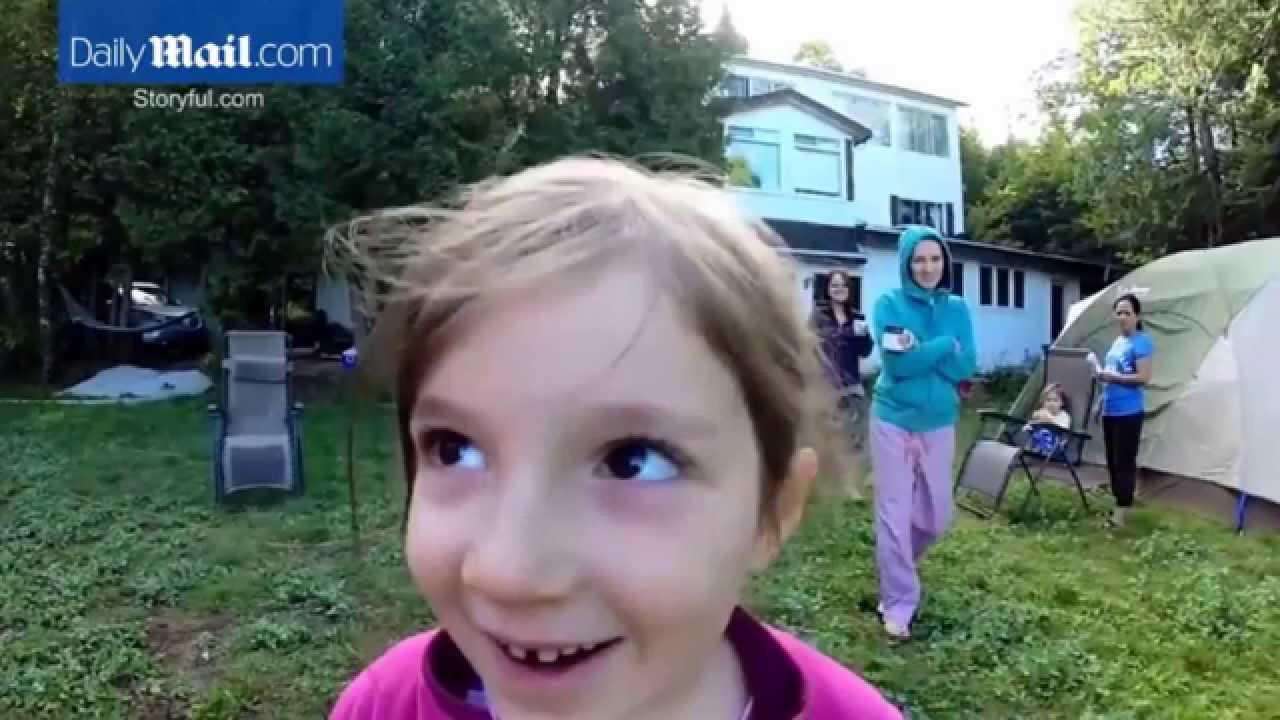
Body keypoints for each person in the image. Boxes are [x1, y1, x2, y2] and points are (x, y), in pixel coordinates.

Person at [328, 157, 905, 720]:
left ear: (773, 511)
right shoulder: (382, 705)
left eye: (633, 461)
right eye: (454, 448)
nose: (509, 571)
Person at [868, 226, 977, 642]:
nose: (928, 267)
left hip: (938, 421)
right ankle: (899, 602)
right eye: (919, 259)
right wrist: (944, 346)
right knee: (894, 513)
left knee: (935, 517)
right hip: (893, 418)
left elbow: (966, 367)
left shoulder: (958, 309)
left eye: (934, 259)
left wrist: (926, 350)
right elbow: (898, 367)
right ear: (906, 263)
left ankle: (895, 566)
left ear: (943, 262)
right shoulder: (888, 304)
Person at [1096, 293, 1154, 528]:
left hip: (1129, 412)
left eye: (1127, 313)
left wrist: (1114, 377)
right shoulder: (1117, 342)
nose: (1122, 317)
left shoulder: (1142, 342)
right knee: (1111, 460)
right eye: (1118, 312)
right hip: (1111, 409)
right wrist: (1101, 398)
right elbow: (1111, 374)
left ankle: (1119, 516)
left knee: (1124, 461)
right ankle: (1119, 505)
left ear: (1137, 316)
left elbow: (1144, 377)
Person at [811, 270, 874, 453]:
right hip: (827, 384)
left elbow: (865, 352)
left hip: (852, 383)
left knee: (855, 437)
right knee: (827, 436)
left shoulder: (857, 318)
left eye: (843, 285)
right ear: (828, 289)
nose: (839, 289)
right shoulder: (819, 317)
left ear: (849, 289)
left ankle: (852, 472)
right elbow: (810, 345)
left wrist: (863, 336)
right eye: (835, 285)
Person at [1023, 383, 1072, 457]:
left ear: (1062, 403)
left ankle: (1035, 448)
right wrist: (1030, 425)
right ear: (1043, 402)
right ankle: (1028, 450)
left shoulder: (1064, 416)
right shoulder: (1041, 412)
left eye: (1055, 400)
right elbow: (1028, 427)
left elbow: (1063, 430)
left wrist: (1050, 421)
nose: (1051, 403)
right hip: (1038, 442)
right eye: (1048, 400)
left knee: (1044, 431)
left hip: (1056, 446)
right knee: (1033, 429)